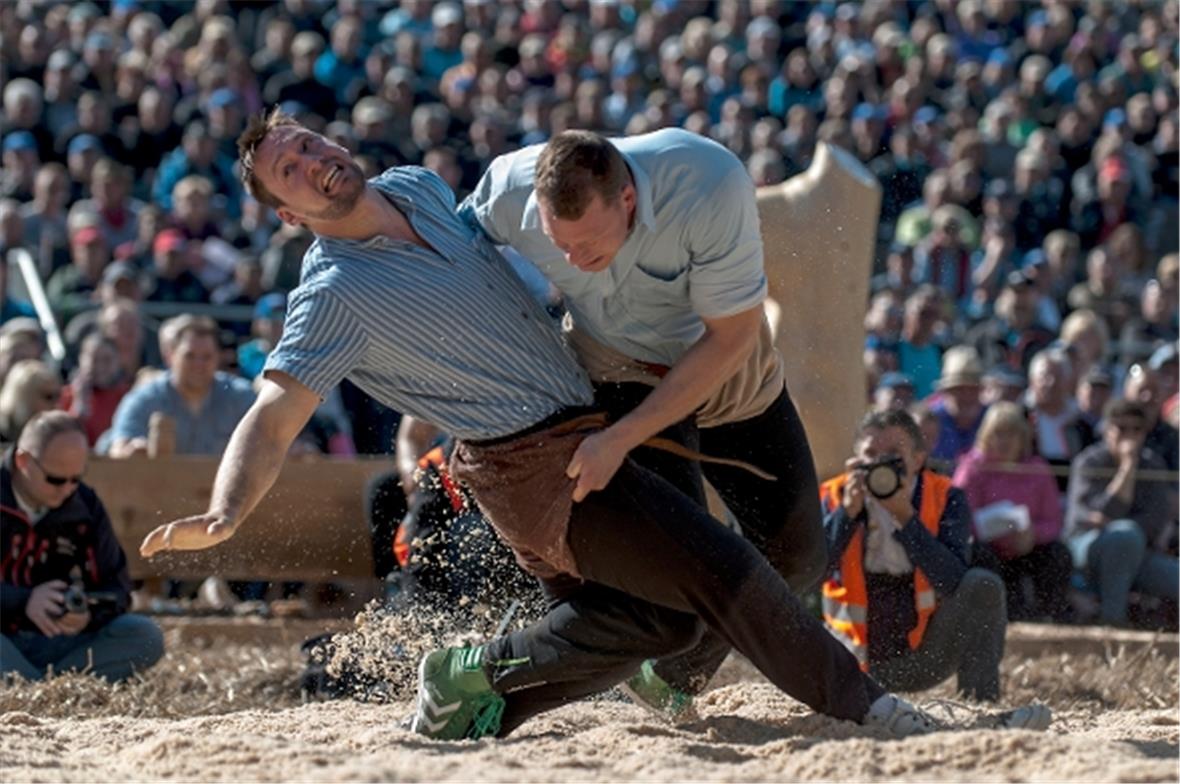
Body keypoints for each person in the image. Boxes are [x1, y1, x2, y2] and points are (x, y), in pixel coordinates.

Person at [139, 110, 962, 743]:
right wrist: (226, 510)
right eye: (293, 170)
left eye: (312, 145)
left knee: (662, 620)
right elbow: (274, 413)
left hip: (580, 423)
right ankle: (867, 706)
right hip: (531, 461)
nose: (318, 163)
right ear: (285, 214)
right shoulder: (329, 295)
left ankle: (474, 694)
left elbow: (474, 303)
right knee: (721, 569)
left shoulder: (418, 187)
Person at [457, 127, 826, 710]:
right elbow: (453, 254)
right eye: (562, 247)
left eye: (589, 245)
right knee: (668, 576)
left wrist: (618, 441)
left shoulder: (709, 182)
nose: (574, 262)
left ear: (627, 197)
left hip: (724, 366)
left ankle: (670, 679)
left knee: (799, 553)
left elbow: (731, 337)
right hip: (616, 370)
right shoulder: (508, 189)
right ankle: (576, 671)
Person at [821, 409, 1010, 702]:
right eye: (870, 454)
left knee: (983, 584)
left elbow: (952, 581)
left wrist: (906, 518)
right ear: (855, 461)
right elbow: (809, 573)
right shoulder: (834, 496)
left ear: (918, 459)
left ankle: (980, 704)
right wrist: (846, 515)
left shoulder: (947, 496)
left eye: (894, 453)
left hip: (923, 656)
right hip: (850, 662)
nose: (880, 463)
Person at [1, 411, 163, 682]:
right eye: (56, 479)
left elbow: (118, 588)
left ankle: (30, 685)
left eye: (76, 478)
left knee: (145, 636)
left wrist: (86, 611)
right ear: (23, 461)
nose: (67, 489)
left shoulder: (85, 505)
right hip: (4, 640)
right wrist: (23, 601)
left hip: (61, 645)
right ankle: (36, 686)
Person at [952, 402, 1072, 621]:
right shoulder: (971, 468)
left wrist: (1031, 535)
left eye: (1012, 434)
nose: (1005, 441)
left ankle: (1050, 619)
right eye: (999, 433)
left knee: (1057, 554)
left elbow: (1053, 522)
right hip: (987, 552)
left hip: (1025, 548)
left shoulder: (1037, 469)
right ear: (986, 435)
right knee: (979, 555)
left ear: (1023, 438)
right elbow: (958, 517)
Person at [1065, 399, 1179, 626]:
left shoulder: (1153, 464)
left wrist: (1112, 524)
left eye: (1137, 429)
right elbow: (1087, 516)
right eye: (1121, 428)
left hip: (1140, 555)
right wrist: (1127, 468)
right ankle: (1112, 625)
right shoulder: (1089, 461)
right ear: (1107, 429)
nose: (1129, 435)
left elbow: (1154, 523)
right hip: (1086, 550)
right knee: (1124, 537)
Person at [106, 314, 254, 458]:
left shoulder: (240, 397)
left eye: (207, 357)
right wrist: (133, 451)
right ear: (170, 356)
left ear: (218, 358)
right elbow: (118, 448)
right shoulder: (145, 398)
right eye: (189, 356)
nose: (199, 364)